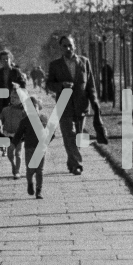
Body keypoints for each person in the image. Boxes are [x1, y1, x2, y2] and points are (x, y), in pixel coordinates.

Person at [44, 34, 97, 175]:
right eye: (64, 46)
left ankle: (71, 162)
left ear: (75, 46)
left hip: (81, 105)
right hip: (64, 105)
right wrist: (61, 85)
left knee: (78, 136)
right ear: (60, 48)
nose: (68, 48)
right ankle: (77, 165)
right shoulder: (54, 65)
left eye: (70, 45)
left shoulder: (84, 62)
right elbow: (49, 84)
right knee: (69, 135)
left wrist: (94, 102)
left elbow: (90, 84)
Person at [3, 90, 45, 198]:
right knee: (30, 170)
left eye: (34, 106)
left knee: (40, 170)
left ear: (38, 107)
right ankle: (30, 183)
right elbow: (18, 135)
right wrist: (13, 145)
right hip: (29, 148)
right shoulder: (25, 121)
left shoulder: (43, 119)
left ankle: (39, 190)